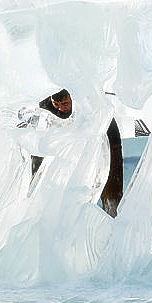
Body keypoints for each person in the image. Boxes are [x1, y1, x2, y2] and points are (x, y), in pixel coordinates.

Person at [30, 89, 123, 218]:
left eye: (65, 104)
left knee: (111, 176)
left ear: (72, 98)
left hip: (104, 133)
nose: (61, 108)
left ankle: (111, 209)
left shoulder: (89, 105)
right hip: (69, 139)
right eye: (56, 104)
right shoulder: (46, 105)